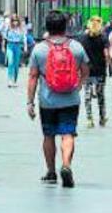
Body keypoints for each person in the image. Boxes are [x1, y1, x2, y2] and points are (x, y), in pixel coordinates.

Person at [27, 10, 89, 188]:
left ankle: (51, 171)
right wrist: (79, 84)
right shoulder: (76, 47)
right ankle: (67, 165)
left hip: (47, 101)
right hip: (70, 99)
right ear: (65, 26)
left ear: (47, 27)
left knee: (48, 135)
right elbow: (85, 70)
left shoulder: (39, 49)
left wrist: (30, 102)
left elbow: (32, 77)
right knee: (68, 134)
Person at [79, 16, 110, 128]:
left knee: (87, 94)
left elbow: (80, 55)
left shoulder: (82, 38)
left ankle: (89, 119)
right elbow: (106, 54)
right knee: (101, 94)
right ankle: (102, 118)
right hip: (100, 71)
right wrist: (110, 67)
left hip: (87, 71)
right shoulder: (103, 38)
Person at [3, 16, 28, 87]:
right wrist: (3, 46)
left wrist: (25, 47)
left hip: (17, 45)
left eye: (16, 21)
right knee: (10, 62)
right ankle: (10, 79)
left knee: (16, 64)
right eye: (13, 21)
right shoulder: (8, 28)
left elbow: (24, 37)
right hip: (10, 45)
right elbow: (4, 37)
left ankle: (15, 79)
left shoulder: (21, 29)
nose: (15, 22)